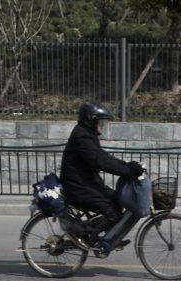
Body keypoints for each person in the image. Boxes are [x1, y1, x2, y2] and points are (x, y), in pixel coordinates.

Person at [60, 101, 144, 249]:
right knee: (112, 213)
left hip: (87, 184)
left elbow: (104, 157)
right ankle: (80, 231)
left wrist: (127, 166)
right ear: (91, 120)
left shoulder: (86, 134)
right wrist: (128, 171)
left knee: (118, 201)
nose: (102, 125)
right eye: (100, 121)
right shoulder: (82, 137)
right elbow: (100, 161)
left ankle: (110, 238)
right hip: (79, 188)